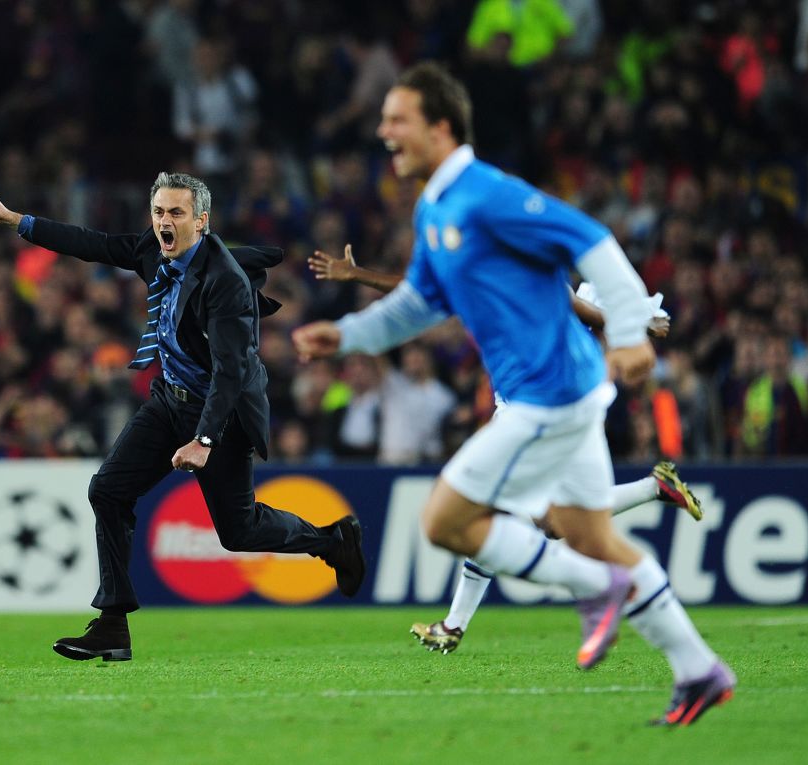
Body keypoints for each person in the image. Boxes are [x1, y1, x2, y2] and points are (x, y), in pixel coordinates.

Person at [292, 63, 732, 726]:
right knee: (595, 536)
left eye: (397, 117)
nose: (383, 130)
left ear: (440, 127)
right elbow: (420, 302)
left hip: (546, 392)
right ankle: (700, 670)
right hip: (562, 389)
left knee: (445, 520)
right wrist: (347, 334)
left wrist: (635, 327)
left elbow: (591, 238)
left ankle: (594, 590)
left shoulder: (485, 193)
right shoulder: (437, 205)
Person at [0, 172, 366, 662]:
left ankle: (332, 540)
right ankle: (112, 625)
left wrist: (205, 439)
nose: (164, 223)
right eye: (158, 213)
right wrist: (16, 221)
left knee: (239, 532)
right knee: (107, 491)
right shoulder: (156, 252)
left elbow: (232, 371)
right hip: (167, 401)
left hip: (222, 415)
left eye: (176, 213)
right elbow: (93, 243)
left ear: (201, 220)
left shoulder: (225, 283)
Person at [308, 246, 704, 653]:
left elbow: (571, 304)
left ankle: (464, 622)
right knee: (550, 524)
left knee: (479, 514)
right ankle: (654, 490)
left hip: (531, 410)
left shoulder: (519, 272)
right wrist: (359, 276)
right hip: (538, 406)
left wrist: (632, 322)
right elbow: (418, 295)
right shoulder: (484, 277)